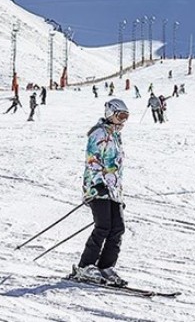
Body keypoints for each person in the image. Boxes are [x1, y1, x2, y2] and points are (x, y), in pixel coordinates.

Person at [72, 99, 129, 287]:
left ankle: (106, 266)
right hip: (97, 188)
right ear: (110, 113)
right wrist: (98, 183)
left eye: (126, 117)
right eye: (121, 116)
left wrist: (119, 193)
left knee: (118, 228)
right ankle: (85, 265)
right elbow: (92, 160)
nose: (123, 121)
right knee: (103, 226)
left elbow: (116, 166)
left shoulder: (115, 136)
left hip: (113, 191)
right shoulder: (99, 133)